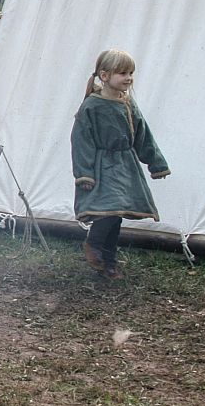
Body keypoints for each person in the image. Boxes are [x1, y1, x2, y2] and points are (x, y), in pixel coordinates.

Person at [71, 48, 170, 279]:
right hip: (101, 167)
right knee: (109, 211)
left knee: (116, 215)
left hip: (126, 166)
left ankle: (109, 261)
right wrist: (84, 173)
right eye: (123, 73)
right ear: (104, 76)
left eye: (131, 73)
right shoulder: (91, 107)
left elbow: (143, 134)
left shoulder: (128, 104)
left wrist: (156, 163)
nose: (128, 78)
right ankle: (93, 244)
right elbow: (81, 141)